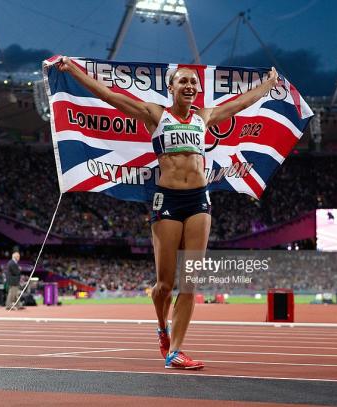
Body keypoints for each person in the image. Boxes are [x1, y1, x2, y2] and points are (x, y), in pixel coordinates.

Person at [58, 57, 278, 369]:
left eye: (193, 83)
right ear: (171, 88)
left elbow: (242, 102)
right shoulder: (155, 114)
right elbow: (108, 96)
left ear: (197, 90)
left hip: (199, 200)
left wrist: (268, 85)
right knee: (164, 284)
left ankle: (175, 351)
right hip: (168, 200)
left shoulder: (205, 116)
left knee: (190, 282)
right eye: (183, 82)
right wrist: (74, 71)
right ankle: (162, 327)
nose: (189, 86)